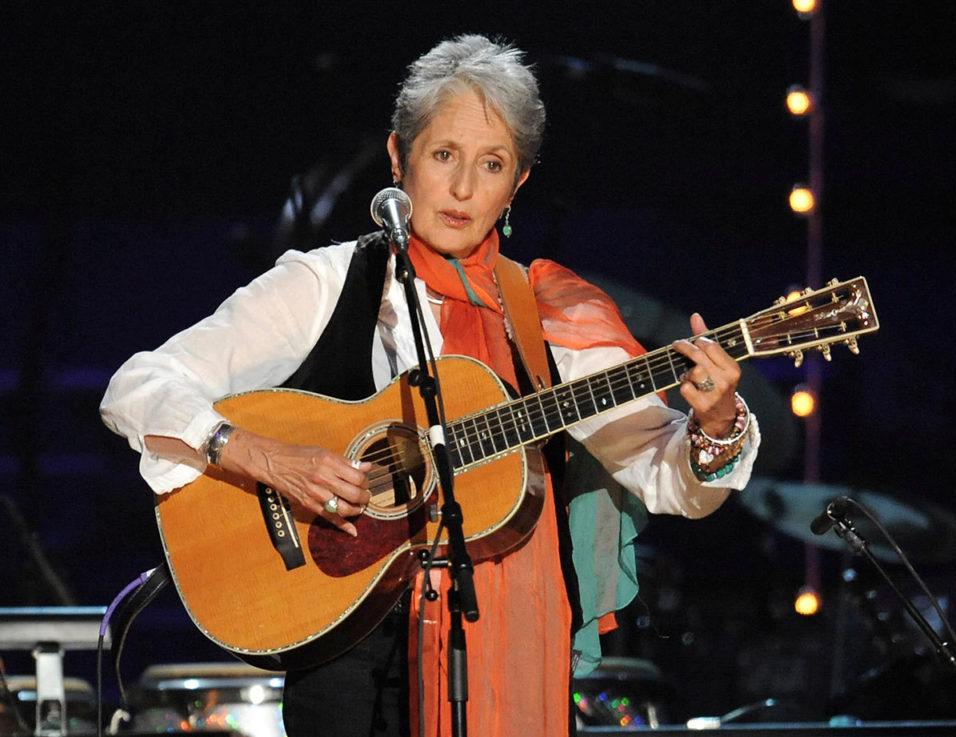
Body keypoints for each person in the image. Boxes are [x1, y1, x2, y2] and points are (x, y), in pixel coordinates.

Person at [101, 34, 760, 737]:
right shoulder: (327, 282)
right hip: (346, 649)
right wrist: (265, 456)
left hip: (494, 637)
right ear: (398, 157)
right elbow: (139, 385)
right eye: (444, 155)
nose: (464, 189)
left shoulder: (551, 311)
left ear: (519, 184)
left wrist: (715, 422)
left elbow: (663, 473)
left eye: (493, 164)